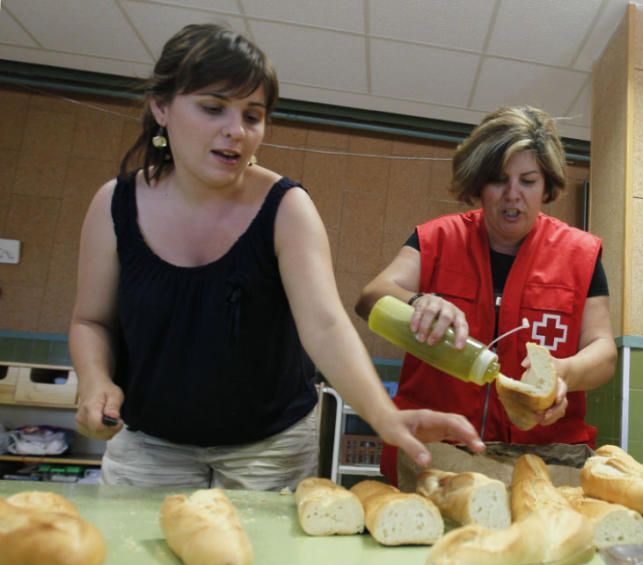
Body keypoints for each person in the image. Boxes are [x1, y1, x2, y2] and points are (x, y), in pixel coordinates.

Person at [69, 24, 483, 490]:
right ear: (161, 107)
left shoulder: (286, 206)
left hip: (268, 450)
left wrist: (384, 416)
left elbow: (325, 326)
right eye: (213, 108)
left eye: (253, 115)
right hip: (148, 443)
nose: (236, 131)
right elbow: (92, 321)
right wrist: (94, 380)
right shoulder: (115, 203)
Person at [356, 105, 617, 483]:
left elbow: (603, 350)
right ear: (478, 183)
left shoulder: (582, 254)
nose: (513, 196)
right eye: (498, 180)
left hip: (545, 458)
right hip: (437, 449)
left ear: (547, 187)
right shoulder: (437, 239)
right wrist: (417, 301)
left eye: (527, 181)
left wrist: (565, 373)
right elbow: (370, 296)